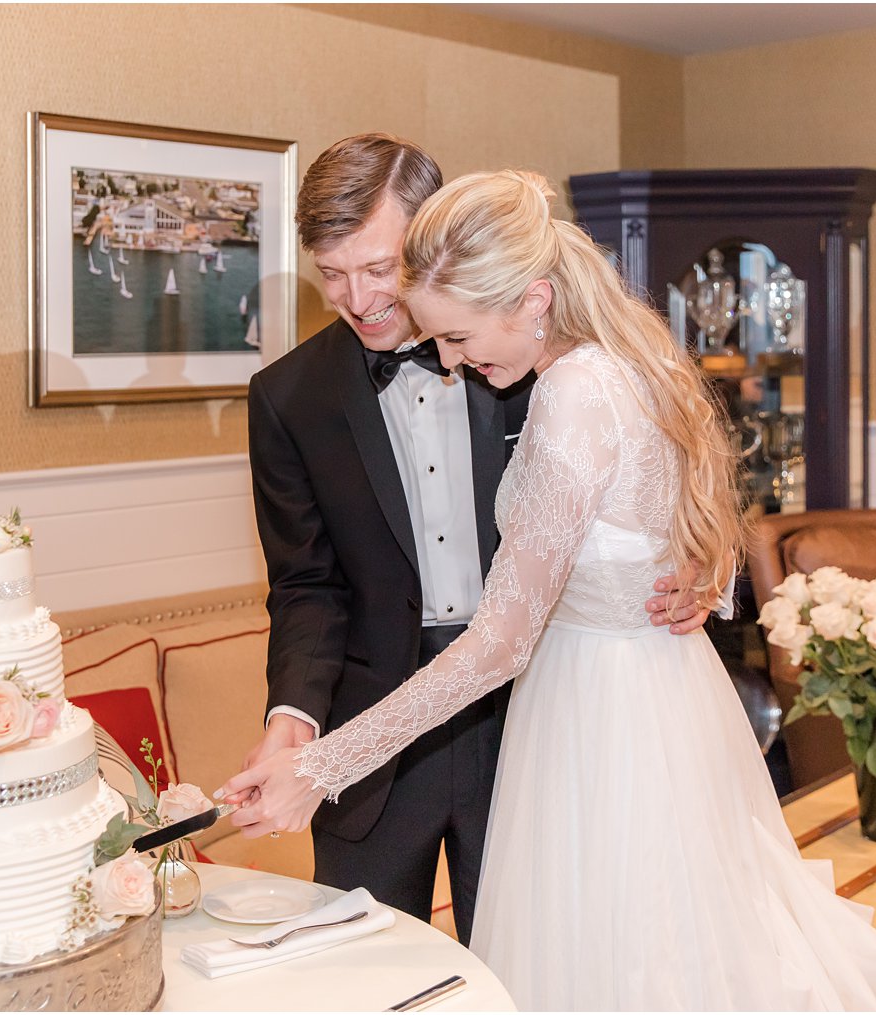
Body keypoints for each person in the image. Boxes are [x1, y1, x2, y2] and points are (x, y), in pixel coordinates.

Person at [222, 170, 876, 1009]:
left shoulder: (566, 391)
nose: (449, 359)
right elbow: (689, 490)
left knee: (602, 963)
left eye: (458, 336)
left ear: (531, 298)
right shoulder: (624, 356)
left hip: (585, 725)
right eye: (335, 274)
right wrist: (695, 565)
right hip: (628, 703)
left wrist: (322, 765)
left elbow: (503, 640)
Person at [242, 135, 711, 945]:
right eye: (333, 272)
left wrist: (702, 563)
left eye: (380, 268)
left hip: (537, 716)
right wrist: (297, 714)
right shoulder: (288, 396)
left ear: (435, 240)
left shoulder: (531, 354)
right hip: (377, 729)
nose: (358, 299)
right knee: (361, 975)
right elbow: (305, 585)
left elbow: (662, 463)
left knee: (537, 964)